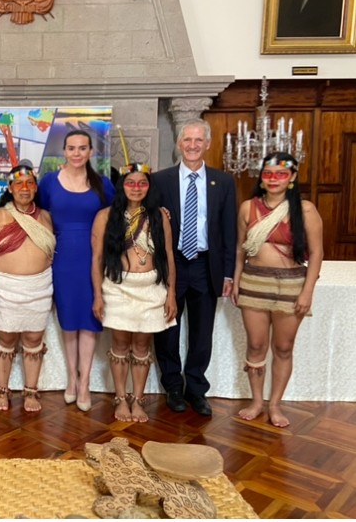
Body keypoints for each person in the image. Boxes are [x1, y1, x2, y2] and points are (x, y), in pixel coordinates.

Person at [152, 118, 237, 416]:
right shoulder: (160, 180)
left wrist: (228, 273)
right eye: (187, 139)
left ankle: (196, 389)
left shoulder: (223, 182)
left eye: (198, 140)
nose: (192, 145)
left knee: (202, 334)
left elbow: (229, 231)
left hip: (205, 265)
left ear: (208, 144)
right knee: (167, 330)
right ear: (179, 143)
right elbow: (150, 224)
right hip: (171, 265)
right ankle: (173, 387)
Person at [232, 152, 323, 428]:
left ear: (292, 177)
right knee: (256, 345)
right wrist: (236, 280)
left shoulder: (305, 210)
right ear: (262, 177)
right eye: (268, 174)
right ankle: (257, 402)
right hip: (254, 282)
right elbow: (240, 249)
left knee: (283, 347)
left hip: (291, 284)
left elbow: (317, 253)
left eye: (281, 174)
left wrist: (307, 291)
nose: (273, 179)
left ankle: (275, 404)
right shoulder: (248, 207)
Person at [91, 164, 177, 423]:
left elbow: (168, 256)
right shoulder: (106, 216)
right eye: (131, 182)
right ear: (122, 186)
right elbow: (97, 259)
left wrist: (171, 294)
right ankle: (120, 398)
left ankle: (138, 400)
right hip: (118, 288)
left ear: (149, 187)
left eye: (142, 183)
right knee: (119, 345)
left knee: (142, 346)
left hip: (151, 288)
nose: (136, 188)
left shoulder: (159, 216)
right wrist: (98, 296)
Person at [38, 130, 115, 412]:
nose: (77, 153)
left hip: (93, 257)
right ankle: (72, 377)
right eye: (71, 148)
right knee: (69, 320)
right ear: (64, 151)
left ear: (91, 151)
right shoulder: (49, 182)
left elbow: (116, 216)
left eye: (83, 148)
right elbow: (40, 215)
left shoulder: (103, 184)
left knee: (90, 320)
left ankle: (85, 384)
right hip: (62, 259)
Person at [0, 162, 56, 412]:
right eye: (18, 184)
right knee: (6, 337)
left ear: (35, 188)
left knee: (34, 338)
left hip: (39, 287)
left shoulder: (45, 217)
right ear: (10, 188)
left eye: (29, 183)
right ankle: (2, 389)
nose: (24, 188)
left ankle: (31, 392)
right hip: (5, 288)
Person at [277, 0, 342, 38]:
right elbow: (289, 18)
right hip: (294, 36)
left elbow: (325, 22)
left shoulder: (324, 1)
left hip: (313, 37)